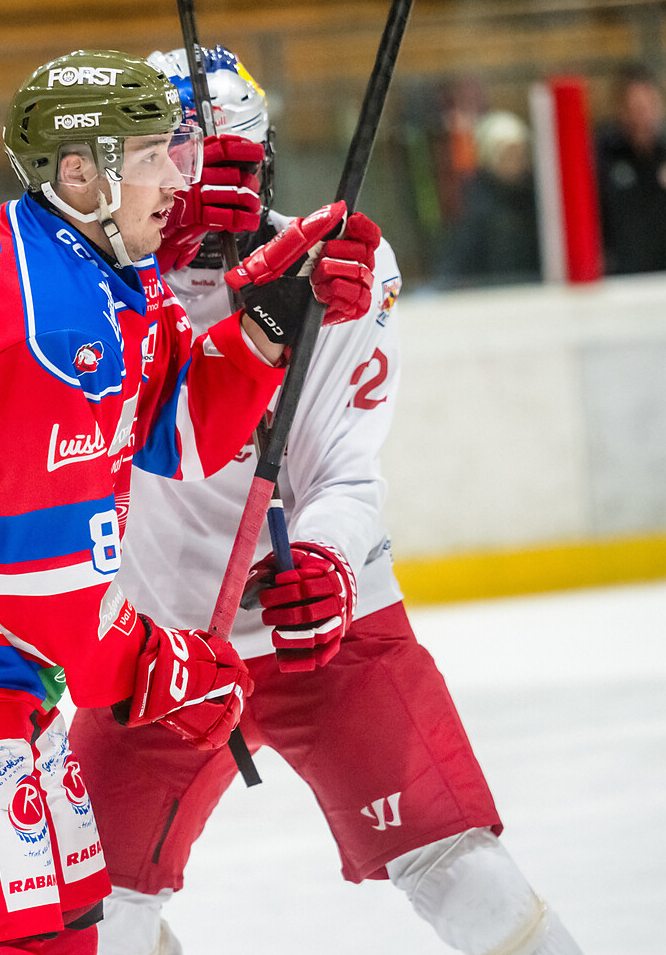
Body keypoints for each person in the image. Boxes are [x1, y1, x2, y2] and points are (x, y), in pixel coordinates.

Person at [0, 48, 382, 955]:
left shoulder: (88, 256)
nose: (181, 178)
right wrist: (166, 667)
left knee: (79, 917)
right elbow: (43, 591)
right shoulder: (52, 331)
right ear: (81, 172)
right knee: (16, 945)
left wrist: (269, 317)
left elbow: (175, 429)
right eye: (155, 156)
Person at [66, 46, 585, 955]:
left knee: (466, 877)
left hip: (328, 633)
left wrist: (333, 562)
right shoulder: (78, 282)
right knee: (93, 917)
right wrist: (193, 290)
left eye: (232, 166)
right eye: (173, 167)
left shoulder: (336, 265)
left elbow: (343, 467)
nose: (199, 193)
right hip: (156, 649)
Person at [436, 110, 541, 285]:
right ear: (490, 156)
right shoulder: (474, 203)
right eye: (506, 154)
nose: (515, 161)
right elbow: (457, 261)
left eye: (519, 153)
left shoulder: (538, 198)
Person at [595, 62, 666, 275]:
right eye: (635, 109)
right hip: (622, 280)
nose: (643, 117)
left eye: (648, 106)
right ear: (620, 110)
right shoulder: (602, 158)